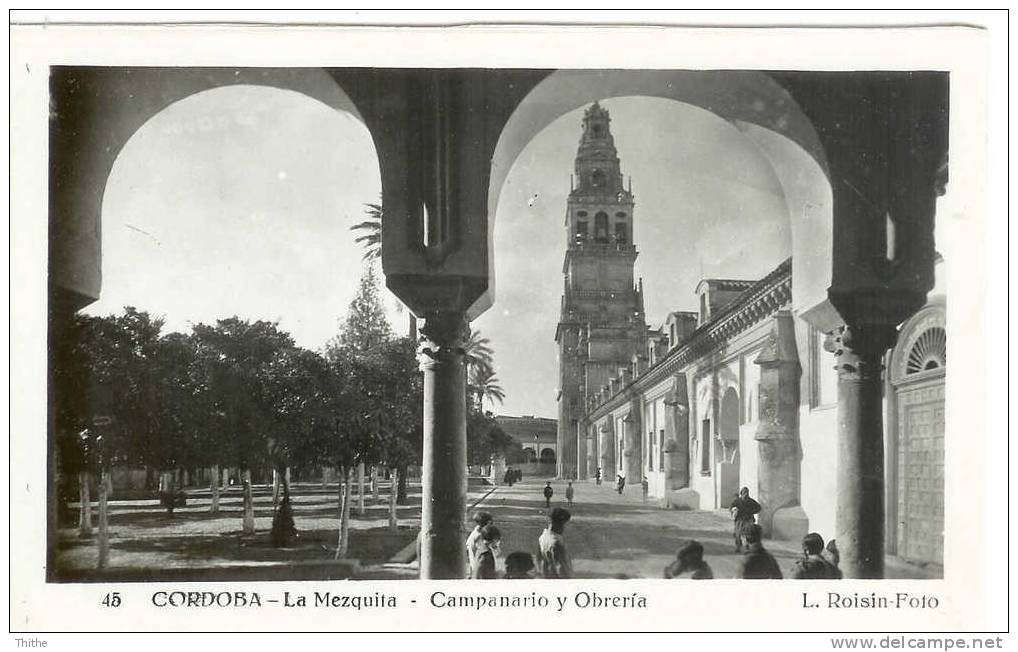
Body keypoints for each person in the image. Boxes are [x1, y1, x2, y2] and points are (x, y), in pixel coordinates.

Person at [538, 507, 573, 579]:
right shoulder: (556, 543)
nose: (566, 527)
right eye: (565, 524)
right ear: (561, 524)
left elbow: (539, 560)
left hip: (547, 575)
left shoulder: (543, 536)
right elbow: (561, 569)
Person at [730, 486, 761, 552]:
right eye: (744, 493)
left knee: (748, 534)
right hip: (739, 520)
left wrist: (752, 511)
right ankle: (738, 547)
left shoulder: (751, 501)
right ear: (741, 493)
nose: (746, 494)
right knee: (738, 534)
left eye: (747, 493)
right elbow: (731, 507)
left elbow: (758, 507)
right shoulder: (737, 501)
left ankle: (747, 547)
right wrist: (734, 510)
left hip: (748, 519)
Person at [465, 510, 494, 577]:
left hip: (474, 566)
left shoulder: (474, 533)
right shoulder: (480, 536)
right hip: (480, 568)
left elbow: (467, 546)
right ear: (488, 523)